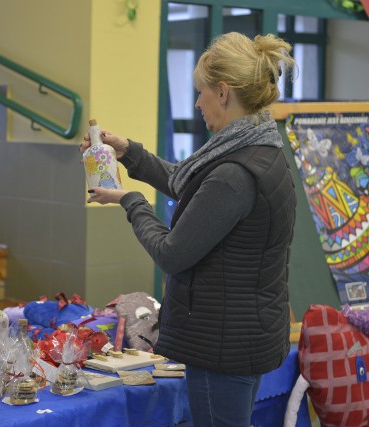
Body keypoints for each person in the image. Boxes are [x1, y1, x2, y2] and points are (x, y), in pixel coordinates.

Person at [81, 32, 296, 426]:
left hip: (223, 346)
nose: (197, 103)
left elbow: (171, 253)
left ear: (224, 92)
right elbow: (189, 182)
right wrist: (130, 152)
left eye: (202, 93)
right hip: (247, 334)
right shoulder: (261, 149)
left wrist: (131, 202)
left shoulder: (234, 173)